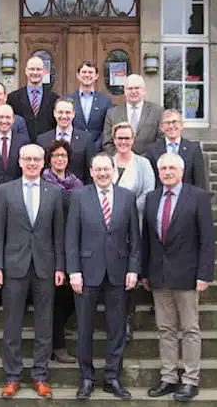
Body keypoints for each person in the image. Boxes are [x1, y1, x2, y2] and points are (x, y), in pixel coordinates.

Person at [0, 144, 65, 399]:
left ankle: (40, 375)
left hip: (45, 267)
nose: (32, 163)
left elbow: (58, 235)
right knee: (12, 324)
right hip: (13, 266)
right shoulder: (5, 191)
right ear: (20, 162)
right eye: (27, 159)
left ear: (44, 162)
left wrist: (61, 267)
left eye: (36, 159)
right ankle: (13, 377)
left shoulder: (54, 192)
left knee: (44, 324)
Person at [141, 153, 215, 402]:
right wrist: (144, 272)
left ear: (182, 171)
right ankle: (169, 377)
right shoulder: (151, 199)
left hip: (187, 275)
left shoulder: (198, 197)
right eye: (163, 168)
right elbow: (147, 240)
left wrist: (204, 274)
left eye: (172, 167)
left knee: (190, 329)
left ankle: (191, 379)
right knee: (165, 329)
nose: (167, 171)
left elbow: (207, 240)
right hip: (159, 276)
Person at [66, 153, 141, 400]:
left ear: (113, 171)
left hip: (119, 272)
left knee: (117, 328)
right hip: (86, 273)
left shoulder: (127, 197)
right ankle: (86, 378)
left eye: (106, 169)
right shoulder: (78, 197)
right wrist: (73, 271)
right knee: (85, 327)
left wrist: (133, 269)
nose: (102, 173)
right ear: (91, 171)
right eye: (97, 169)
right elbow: (71, 238)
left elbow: (135, 239)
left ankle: (112, 377)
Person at [109, 122, 155, 341]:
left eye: (127, 138)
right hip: (108, 229)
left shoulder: (143, 164)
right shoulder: (106, 162)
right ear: (114, 139)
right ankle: (111, 321)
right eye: (120, 138)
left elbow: (148, 192)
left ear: (133, 140)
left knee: (130, 276)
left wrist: (126, 208)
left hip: (134, 226)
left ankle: (127, 320)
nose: (123, 142)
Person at [41, 140, 84, 364]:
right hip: (47, 246)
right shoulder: (42, 183)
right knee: (52, 298)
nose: (60, 159)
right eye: (56, 155)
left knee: (66, 297)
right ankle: (55, 346)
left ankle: (56, 343)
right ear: (50, 158)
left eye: (64, 156)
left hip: (71, 245)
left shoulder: (77, 185)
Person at [36, 98, 96, 184]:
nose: (64, 116)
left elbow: (90, 171)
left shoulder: (86, 139)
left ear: (74, 114)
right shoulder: (42, 140)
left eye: (68, 112)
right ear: (54, 113)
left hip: (77, 192)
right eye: (60, 112)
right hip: (48, 193)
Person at [102, 74, 163, 156]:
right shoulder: (112, 113)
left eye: (137, 88)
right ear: (124, 91)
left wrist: (142, 160)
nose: (133, 91)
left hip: (149, 163)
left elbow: (161, 140)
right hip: (120, 164)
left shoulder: (157, 111)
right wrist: (123, 158)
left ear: (144, 90)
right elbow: (107, 143)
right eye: (130, 88)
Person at [146, 109, 207, 190]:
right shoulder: (152, 149)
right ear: (162, 127)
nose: (171, 126)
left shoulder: (193, 149)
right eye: (167, 123)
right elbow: (150, 181)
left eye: (174, 122)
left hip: (187, 198)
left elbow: (200, 182)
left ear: (181, 125)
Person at [7, 56, 60, 142]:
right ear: (26, 71)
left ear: (44, 72)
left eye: (38, 69)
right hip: (21, 146)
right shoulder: (12, 98)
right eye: (32, 69)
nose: (35, 72)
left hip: (47, 146)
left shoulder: (54, 99)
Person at [67, 61, 113, 150]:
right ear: (78, 75)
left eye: (90, 72)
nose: (87, 75)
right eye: (84, 72)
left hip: (98, 150)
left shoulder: (105, 101)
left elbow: (107, 128)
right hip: (74, 149)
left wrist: (95, 146)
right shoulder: (69, 99)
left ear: (96, 76)